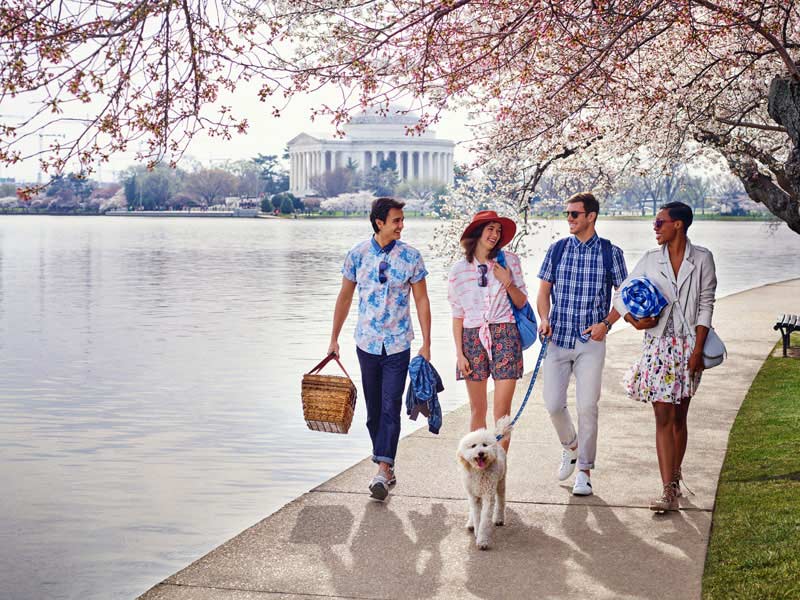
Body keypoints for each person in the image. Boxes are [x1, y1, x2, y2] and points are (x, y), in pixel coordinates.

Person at [612, 201, 716, 513]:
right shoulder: (649, 259)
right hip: (657, 347)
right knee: (662, 417)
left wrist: (698, 351)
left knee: (680, 418)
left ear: (678, 225)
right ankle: (668, 488)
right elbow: (620, 294)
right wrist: (632, 319)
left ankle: (675, 471)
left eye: (660, 223)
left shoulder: (703, 259)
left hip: (689, 347)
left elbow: (706, 304)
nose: (655, 228)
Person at [328, 197, 431, 501]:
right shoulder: (357, 255)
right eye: (396, 220)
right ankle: (386, 462)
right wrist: (333, 339)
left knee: (390, 405)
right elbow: (345, 298)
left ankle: (383, 469)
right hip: (367, 343)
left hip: (398, 343)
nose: (402, 225)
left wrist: (427, 342)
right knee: (373, 411)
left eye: (402, 219)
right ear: (379, 222)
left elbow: (422, 300)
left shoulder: (411, 257)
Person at [537, 192, 628, 496]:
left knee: (588, 406)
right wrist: (543, 318)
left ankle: (584, 472)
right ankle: (570, 446)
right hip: (557, 339)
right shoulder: (557, 250)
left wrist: (607, 323)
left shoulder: (610, 252)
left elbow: (623, 295)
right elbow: (543, 292)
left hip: (591, 340)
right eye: (567, 214)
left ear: (591, 216)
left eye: (575, 214)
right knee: (552, 404)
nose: (570, 220)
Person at [447, 211, 528, 454]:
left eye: (498, 230)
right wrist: (460, 354)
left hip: (505, 334)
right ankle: (478, 468)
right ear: (478, 233)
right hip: (472, 339)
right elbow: (457, 315)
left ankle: (499, 468)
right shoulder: (459, 270)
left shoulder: (509, 261)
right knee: (477, 409)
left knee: (502, 411)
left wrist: (507, 281)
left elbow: (522, 301)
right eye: (490, 229)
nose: (495, 234)